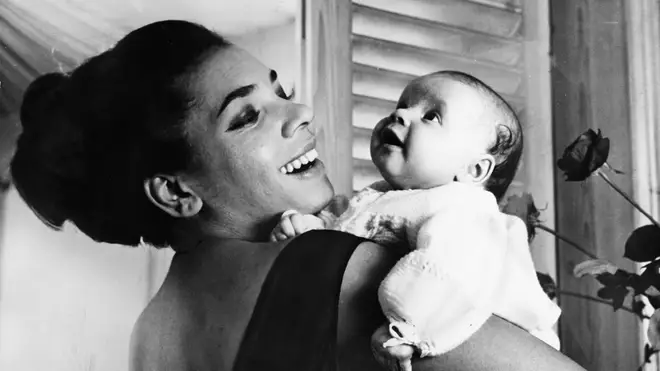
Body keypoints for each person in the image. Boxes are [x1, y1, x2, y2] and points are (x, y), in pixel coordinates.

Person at [10, 20, 586, 371]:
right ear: (175, 191)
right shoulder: (334, 267)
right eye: (247, 116)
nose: (301, 112)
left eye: (280, 90)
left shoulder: (149, 337)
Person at [270, 71, 561, 370]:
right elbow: (348, 236)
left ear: (474, 170)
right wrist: (311, 230)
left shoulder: (465, 209)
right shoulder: (382, 197)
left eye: (432, 116)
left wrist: (409, 325)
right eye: (403, 103)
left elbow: (455, 268)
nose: (400, 113)